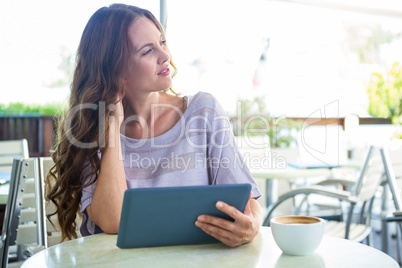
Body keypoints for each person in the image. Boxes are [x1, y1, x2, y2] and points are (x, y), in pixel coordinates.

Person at [47, 3, 263, 248]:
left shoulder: (204, 111)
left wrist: (253, 224)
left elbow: (246, 200)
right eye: (147, 51)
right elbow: (113, 221)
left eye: (162, 42)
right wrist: (112, 126)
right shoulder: (93, 128)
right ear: (115, 68)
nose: (165, 56)